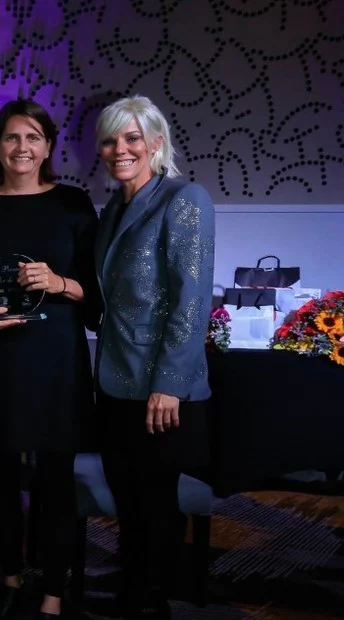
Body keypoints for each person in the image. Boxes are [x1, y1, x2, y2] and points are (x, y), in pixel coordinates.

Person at [0, 99, 99, 619]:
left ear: (48, 146)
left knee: (56, 476)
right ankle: (12, 578)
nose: (22, 147)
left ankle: (53, 593)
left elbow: (98, 291)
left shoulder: (73, 204)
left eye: (33, 137)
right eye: (12, 137)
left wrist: (58, 282)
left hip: (56, 358)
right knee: (1, 475)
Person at [93, 95, 214, 620]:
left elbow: (192, 301)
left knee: (157, 503)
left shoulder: (185, 199)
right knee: (128, 498)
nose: (120, 149)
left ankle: (152, 602)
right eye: (110, 140)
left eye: (132, 138)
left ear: (157, 143)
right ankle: (134, 588)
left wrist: (169, 382)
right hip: (115, 381)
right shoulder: (112, 209)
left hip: (161, 388)